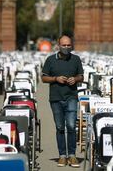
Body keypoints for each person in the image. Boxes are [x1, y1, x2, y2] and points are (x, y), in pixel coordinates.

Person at [41, 35, 84, 167]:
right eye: (63, 45)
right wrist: (56, 79)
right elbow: (43, 78)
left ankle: (72, 155)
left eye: (68, 45)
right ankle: (62, 156)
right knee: (60, 127)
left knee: (71, 126)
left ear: (71, 46)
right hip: (56, 98)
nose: (66, 47)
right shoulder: (50, 60)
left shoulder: (76, 59)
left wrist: (75, 79)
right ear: (58, 46)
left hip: (71, 96)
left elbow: (81, 76)